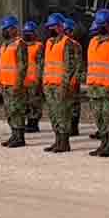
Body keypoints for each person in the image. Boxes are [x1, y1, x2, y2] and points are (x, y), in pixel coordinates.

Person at [86, 10, 109, 157]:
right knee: (98, 117)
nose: (101, 27)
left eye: (104, 25)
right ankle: (103, 143)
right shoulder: (93, 42)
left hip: (108, 88)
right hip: (94, 87)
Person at [41, 14, 79, 153]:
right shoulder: (49, 42)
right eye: (49, 26)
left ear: (61, 27)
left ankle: (64, 143)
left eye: (54, 26)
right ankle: (57, 140)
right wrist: (44, 82)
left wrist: (65, 85)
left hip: (60, 85)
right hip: (49, 84)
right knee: (53, 114)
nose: (51, 29)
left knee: (63, 113)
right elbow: (46, 64)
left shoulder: (67, 43)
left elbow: (69, 67)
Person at [0, 16, 28, 148]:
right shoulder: (4, 44)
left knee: (17, 110)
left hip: (15, 84)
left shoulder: (19, 43)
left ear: (14, 29)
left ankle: (20, 137)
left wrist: (18, 83)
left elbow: (22, 66)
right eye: (3, 29)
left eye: (7, 29)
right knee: (9, 110)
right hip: (5, 84)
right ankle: (14, 135)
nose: (4, 31)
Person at [21, 21, 44, 134]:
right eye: (25, 32)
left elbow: (41, 64)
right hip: (24, 80)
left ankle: (33, 124)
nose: (27, 34)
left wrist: (40, 79)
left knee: (35, 103)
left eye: (29, 32)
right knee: (25, 103)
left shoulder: (38, 46)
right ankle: (28, 122)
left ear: (35, 33)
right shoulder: (21, 46)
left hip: (34, 79)